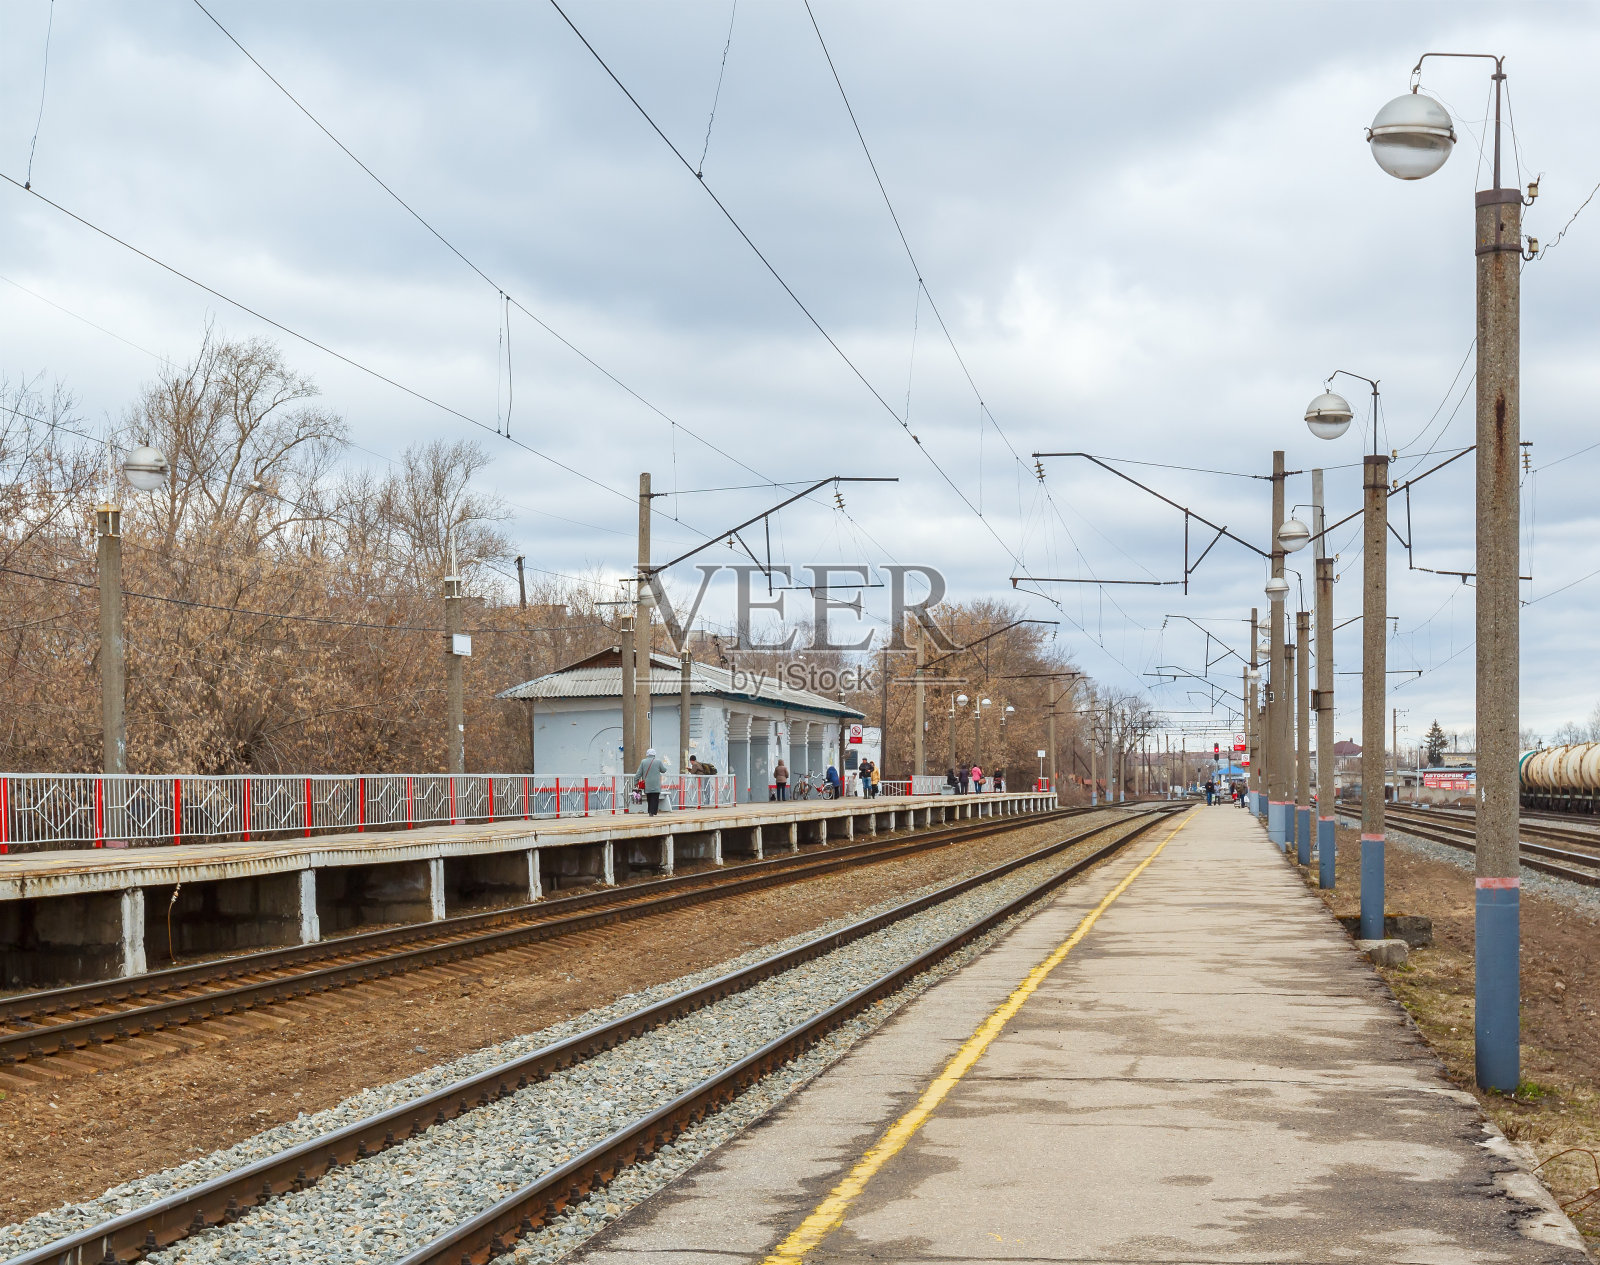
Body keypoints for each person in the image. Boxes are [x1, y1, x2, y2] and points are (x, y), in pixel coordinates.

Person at [636, 747, 666, 816]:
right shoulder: (658, 762)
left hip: (647, 784)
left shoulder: (643, 762)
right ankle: (653, 811)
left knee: (649, 798)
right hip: (656, 784)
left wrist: (636, 781)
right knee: (655, 798)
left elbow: (639, 773)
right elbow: (663, 770)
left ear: (647, 754)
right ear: (654, 754)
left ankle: (650, 811)